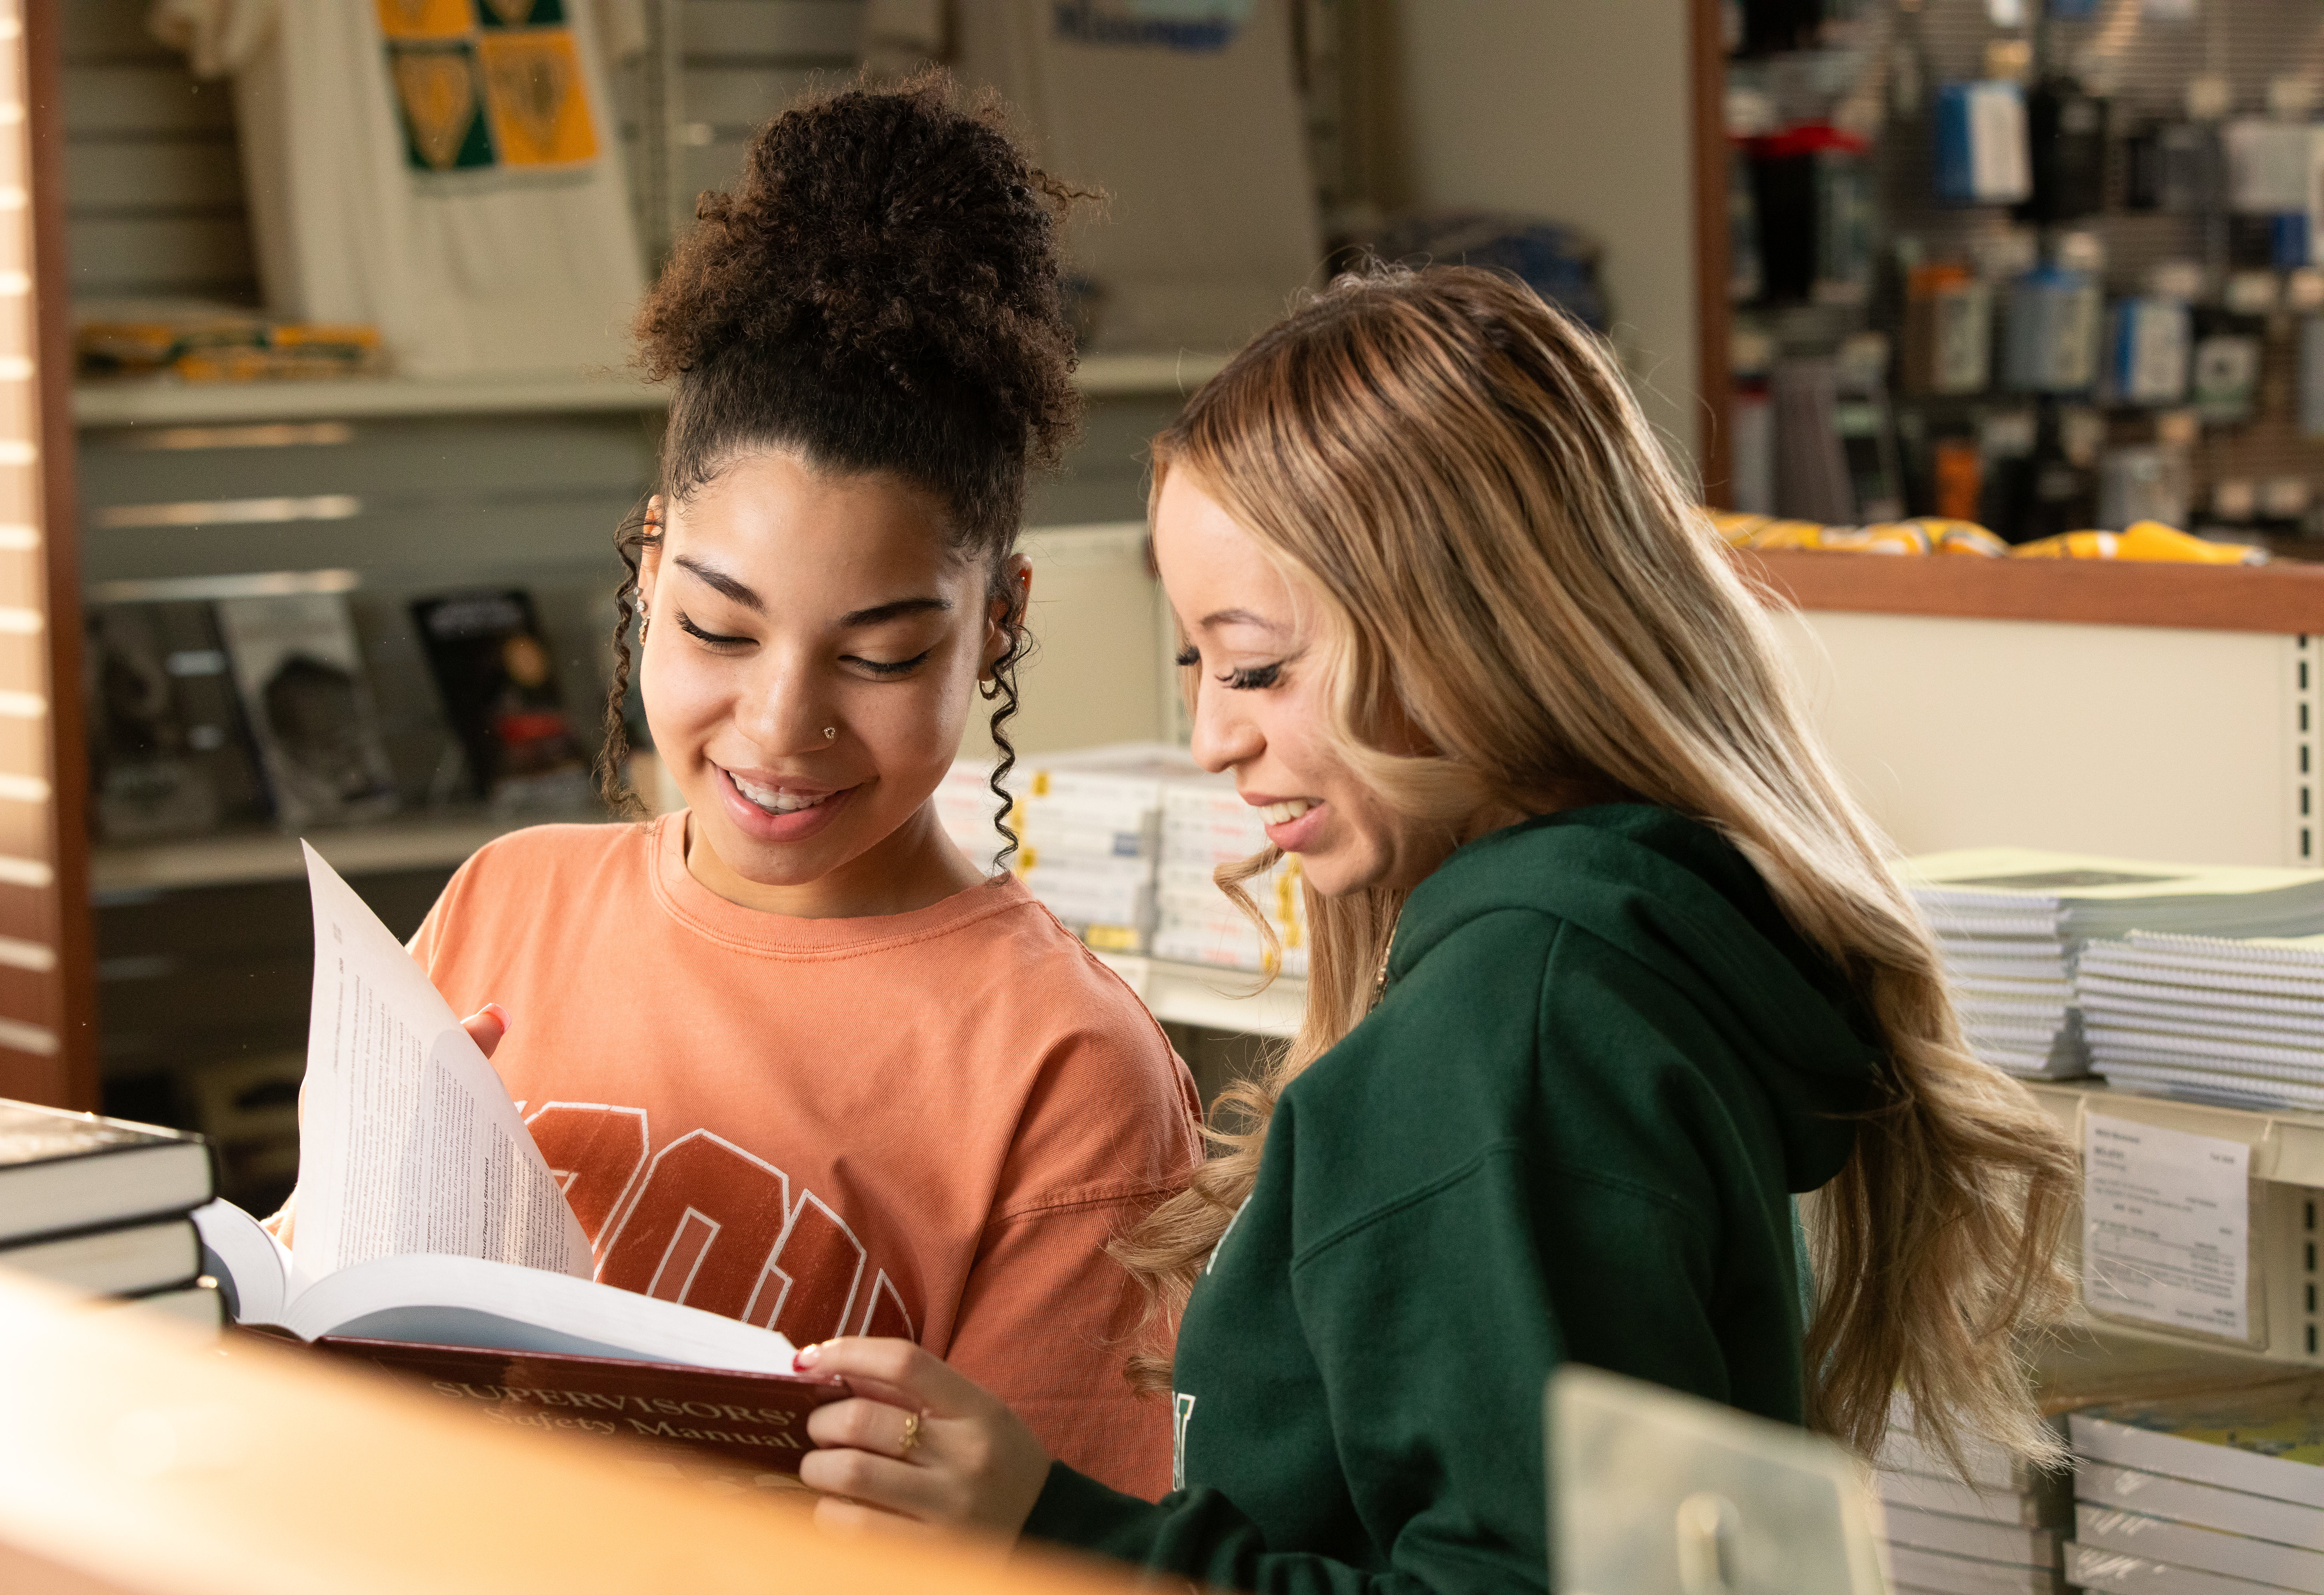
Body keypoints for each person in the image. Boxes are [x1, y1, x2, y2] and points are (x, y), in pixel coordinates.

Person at [793, 265, 2080, 1585]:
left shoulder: (1512, 1037)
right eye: (1197, 665)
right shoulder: (1589, 971)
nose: (1214, 737)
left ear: (1463, 628)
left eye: (1257, 667)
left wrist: (1065, 1534)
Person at [278, 77, 1202, 1497]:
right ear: (649, 568)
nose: (781, 727)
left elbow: (1060, 1560)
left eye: (883, 656)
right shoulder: (504, 905)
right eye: (717, 629)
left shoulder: (1065, 1074)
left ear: (1000, 624)